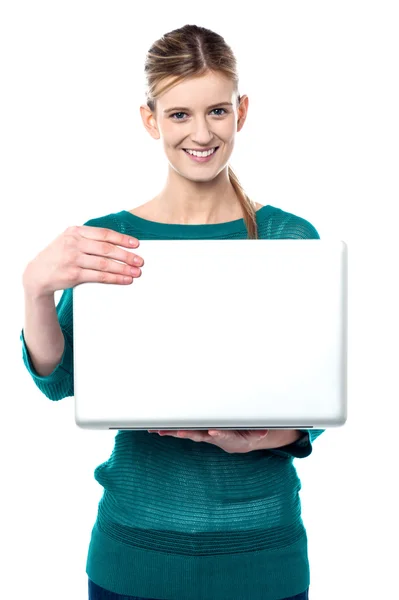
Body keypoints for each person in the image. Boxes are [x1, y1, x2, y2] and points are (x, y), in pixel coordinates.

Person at [20, 24, 325, 600]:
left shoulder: (288, 237)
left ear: (241, 111)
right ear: (150, 119)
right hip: (132, 556)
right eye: (180, 114)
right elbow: (60, 381)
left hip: (263, 556)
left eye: (216, 110)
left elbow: (312, 405)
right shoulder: (112, 237)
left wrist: (259, 438)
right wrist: (35, 286)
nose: (202, 132)